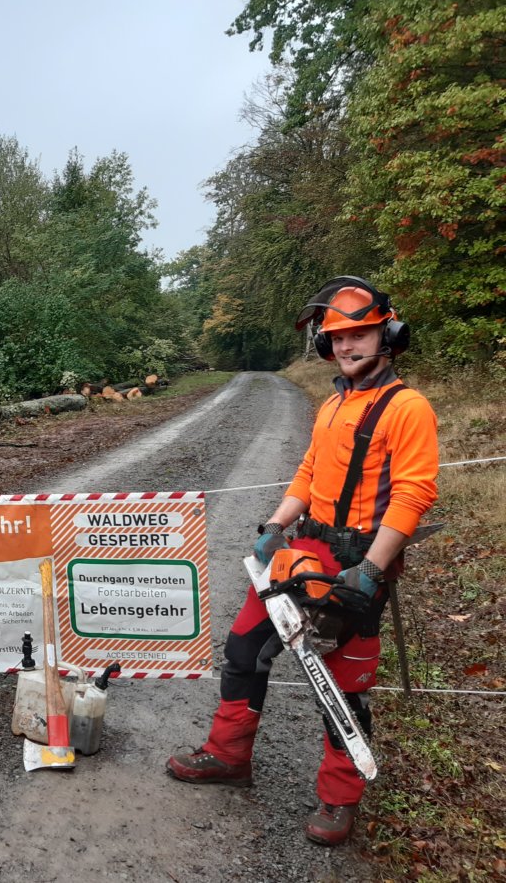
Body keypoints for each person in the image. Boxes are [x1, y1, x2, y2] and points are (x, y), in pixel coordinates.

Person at [166, 276, 439, 846]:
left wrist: (371, 569)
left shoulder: (407, 407)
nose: (346, 345)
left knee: (341, 684)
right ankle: (228, 755)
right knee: (243, 646)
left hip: (357, 561)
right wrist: (275, 525)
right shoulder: (335, 403)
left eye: (359, 333)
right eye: (337, 336)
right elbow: (310, 474)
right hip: (301, 551)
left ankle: (339, 798)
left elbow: (414, 494)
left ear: (388, 334)